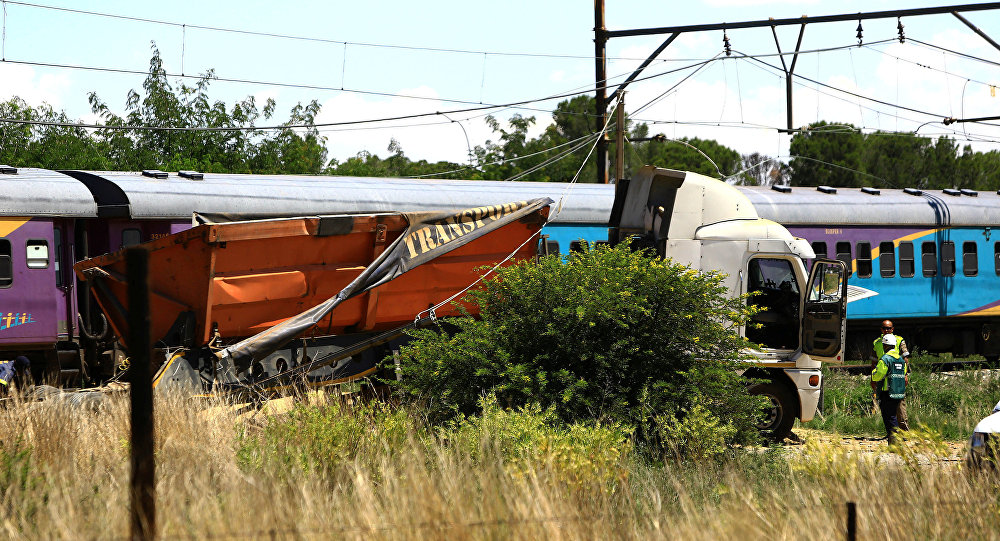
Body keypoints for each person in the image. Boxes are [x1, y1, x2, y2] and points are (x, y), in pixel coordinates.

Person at [873, 320, 910, 430]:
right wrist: (873, 378)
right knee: (887, 409)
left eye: (889, 328)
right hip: (883, 379)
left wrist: (906, 375)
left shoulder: (899, 340)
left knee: (900, 405)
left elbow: (905, 359)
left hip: (897, 378)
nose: (887, 330)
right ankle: (892, 432)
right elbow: (874, 361)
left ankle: (904, 431)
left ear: (893, 329)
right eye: (884, 328)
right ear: (881, 329)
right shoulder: (877, 342)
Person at [871, 335, 908, 444]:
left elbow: (878, 375)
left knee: (889, 417)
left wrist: (873, 374)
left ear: (885, 345)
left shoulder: (885, 359)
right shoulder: (900, 359)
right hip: (899, 392)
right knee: (895, 415)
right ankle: (896, 440)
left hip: (887, 392)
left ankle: (894, 443)